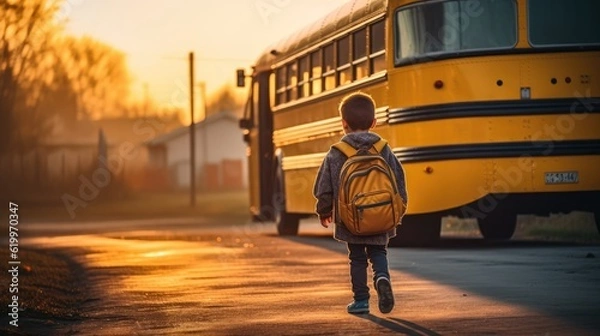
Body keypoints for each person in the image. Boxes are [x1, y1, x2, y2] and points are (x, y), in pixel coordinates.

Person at [312, 91, 408, 314]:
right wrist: (398, 209)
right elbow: (398, 179)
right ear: (374, 122)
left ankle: (361, 300)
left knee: (356, 258)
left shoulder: (336, 153)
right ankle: (382, 278)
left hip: (350, 219)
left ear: (343, 124)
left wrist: (323, 210)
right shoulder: (383, 148)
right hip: (382, 215)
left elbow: (324, 187)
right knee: (378, 253)